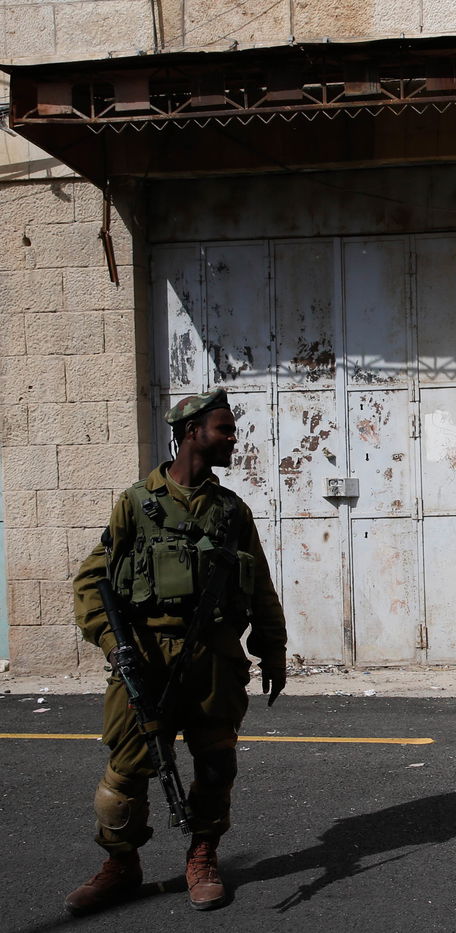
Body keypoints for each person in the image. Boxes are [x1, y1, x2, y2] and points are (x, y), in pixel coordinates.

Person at [65, 389, 288, 915]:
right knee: (125, 774)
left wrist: (271, 650)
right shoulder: (136, 505)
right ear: (192, 432)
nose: (233, 437)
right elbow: (91, 582)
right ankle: (120, 865)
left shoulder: (232, 511)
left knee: (215, 765)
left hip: (213, 659)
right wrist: (113, 644)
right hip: (144, 656)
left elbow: (260, 589)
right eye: (224, 428)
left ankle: (203, 857)